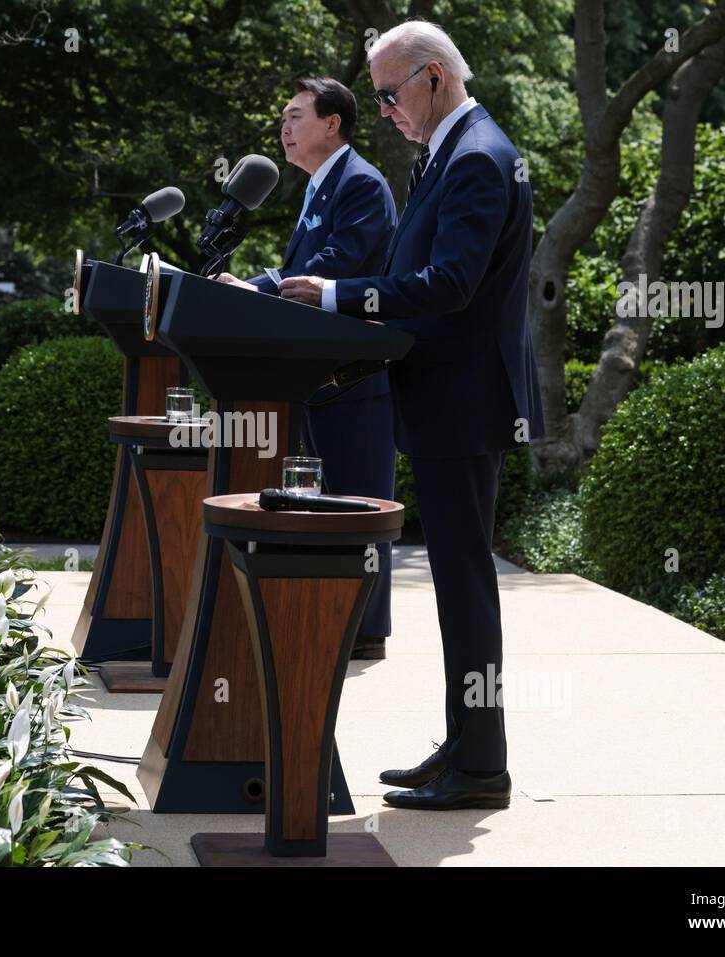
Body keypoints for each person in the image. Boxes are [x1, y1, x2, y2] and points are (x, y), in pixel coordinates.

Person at [279, 21, 545, 810]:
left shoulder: (478, 156)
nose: (386, 110)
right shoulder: (453, 150)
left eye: (391, 94)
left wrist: (334, 294)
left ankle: (482, 761)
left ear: (435, 76)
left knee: (466, 585)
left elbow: (450, 282)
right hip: (448, 398)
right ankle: (465, 742)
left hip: (463, 402)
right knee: (459, 586)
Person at [217, 76, 398, 659]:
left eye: (296, 116)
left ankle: (364, 631)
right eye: (284, 118)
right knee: (321, 503)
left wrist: (256, 287)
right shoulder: (319, 188)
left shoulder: (362, 184)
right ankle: (333, 617)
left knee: (356, 504)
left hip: (354, 381)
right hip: (315, 378)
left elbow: (333, 265)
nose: (284, 128)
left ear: (332, 124)